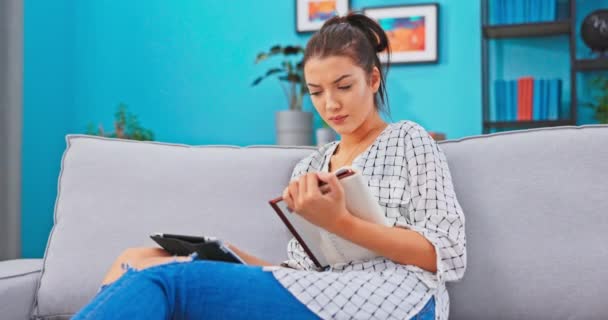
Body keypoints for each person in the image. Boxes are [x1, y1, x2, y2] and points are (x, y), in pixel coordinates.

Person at [73, 13, 466, 320]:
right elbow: (301, 274)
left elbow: (446, 255)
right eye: (316, 92)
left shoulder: (408, 140)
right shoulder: (309, 167)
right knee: (139, 259)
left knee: (168, 281)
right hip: (325, 296)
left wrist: (341, 222)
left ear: (373, 79)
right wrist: (229, 256)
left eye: (343, 86)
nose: (330, 105)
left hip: (399, 300)